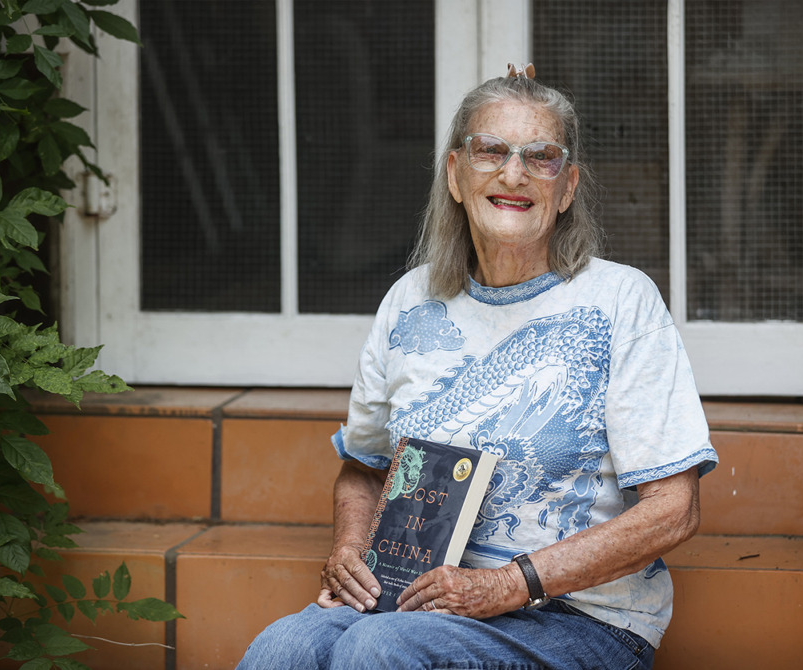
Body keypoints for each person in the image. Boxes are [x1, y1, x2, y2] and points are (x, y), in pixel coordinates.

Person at [237, 63, 717, 670]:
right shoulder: (410, 301)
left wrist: (507, 585)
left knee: (377, 650)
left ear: (567, 187)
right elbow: (363, 469)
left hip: (579, 617)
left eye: (540, 157)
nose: (512, 173)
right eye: (490, 151)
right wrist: (350, 548)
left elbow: (676, 509)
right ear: (456, 174)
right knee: (280, 650)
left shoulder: (620, 300)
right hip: (416, 597)